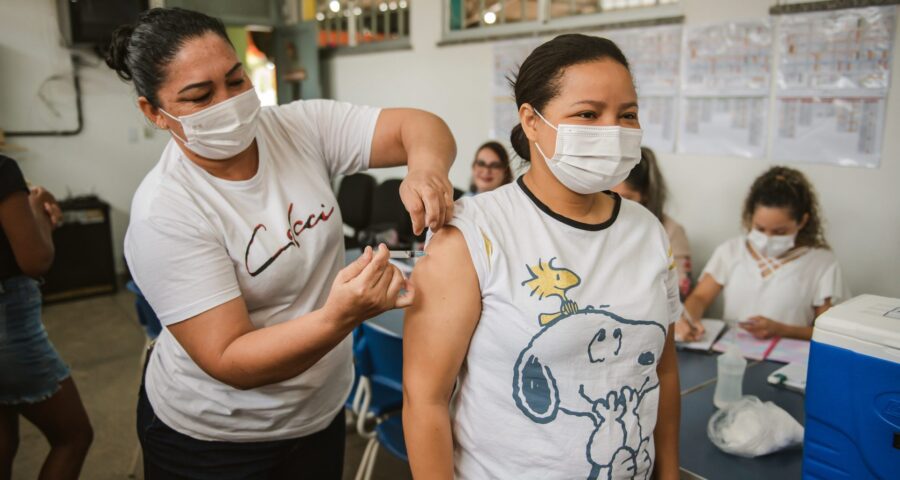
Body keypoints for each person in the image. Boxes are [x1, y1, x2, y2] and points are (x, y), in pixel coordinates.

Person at [105, 8, 456, 478]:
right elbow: (230, 359)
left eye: (235, 80)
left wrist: (426, 169)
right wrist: (339, 317)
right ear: (154, 112)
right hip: (217, 439)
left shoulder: (297, 128)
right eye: (199, 96)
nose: (227, 102)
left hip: (318, 412)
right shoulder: (166, 211)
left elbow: (419, 125)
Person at [402, 34, 681, 480]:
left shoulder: (648, 231)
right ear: (532, 121)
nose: (613, 129)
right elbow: (425, 400)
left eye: (627, 115)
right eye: (588, 114)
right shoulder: (473, 234)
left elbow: (663, 371)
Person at [0, 155, 93, 480]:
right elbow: (36, 259)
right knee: (74, 436)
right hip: (7, 328)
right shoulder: (2, 168)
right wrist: (39, 210)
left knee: (4, 438)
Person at [676, 166, 849, 342]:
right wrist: (687, 319)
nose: (767, 239)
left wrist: (781, 330)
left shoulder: (822, 263)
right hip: (733, 355)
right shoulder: (731, 251)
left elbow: (828, 333)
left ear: (802, 221)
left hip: (790, 361)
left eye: (780, 232)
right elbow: (700, 297)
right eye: (760, 229)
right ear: (750, 217)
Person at [612, 147, 692, 299]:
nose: (616, 205)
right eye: (608, 195)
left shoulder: (670, 231)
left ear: (645, 195)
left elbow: (680, 292)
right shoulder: (596, 225)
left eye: (627, 198)